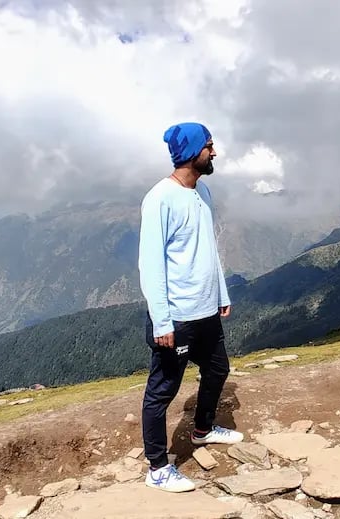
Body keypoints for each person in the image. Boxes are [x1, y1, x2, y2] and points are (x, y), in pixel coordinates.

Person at [138, 122, 244, 493]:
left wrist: (221, 294)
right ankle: (157, 468)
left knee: (218, 369)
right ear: (192, 152)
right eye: (209, 146)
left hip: (205, 311)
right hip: (177, 318)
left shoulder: (204, 192)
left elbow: (207, 249)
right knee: (162, 392)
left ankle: (202, 429)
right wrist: (162, 321)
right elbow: (151, 265)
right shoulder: (160, 199)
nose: (214, 153)